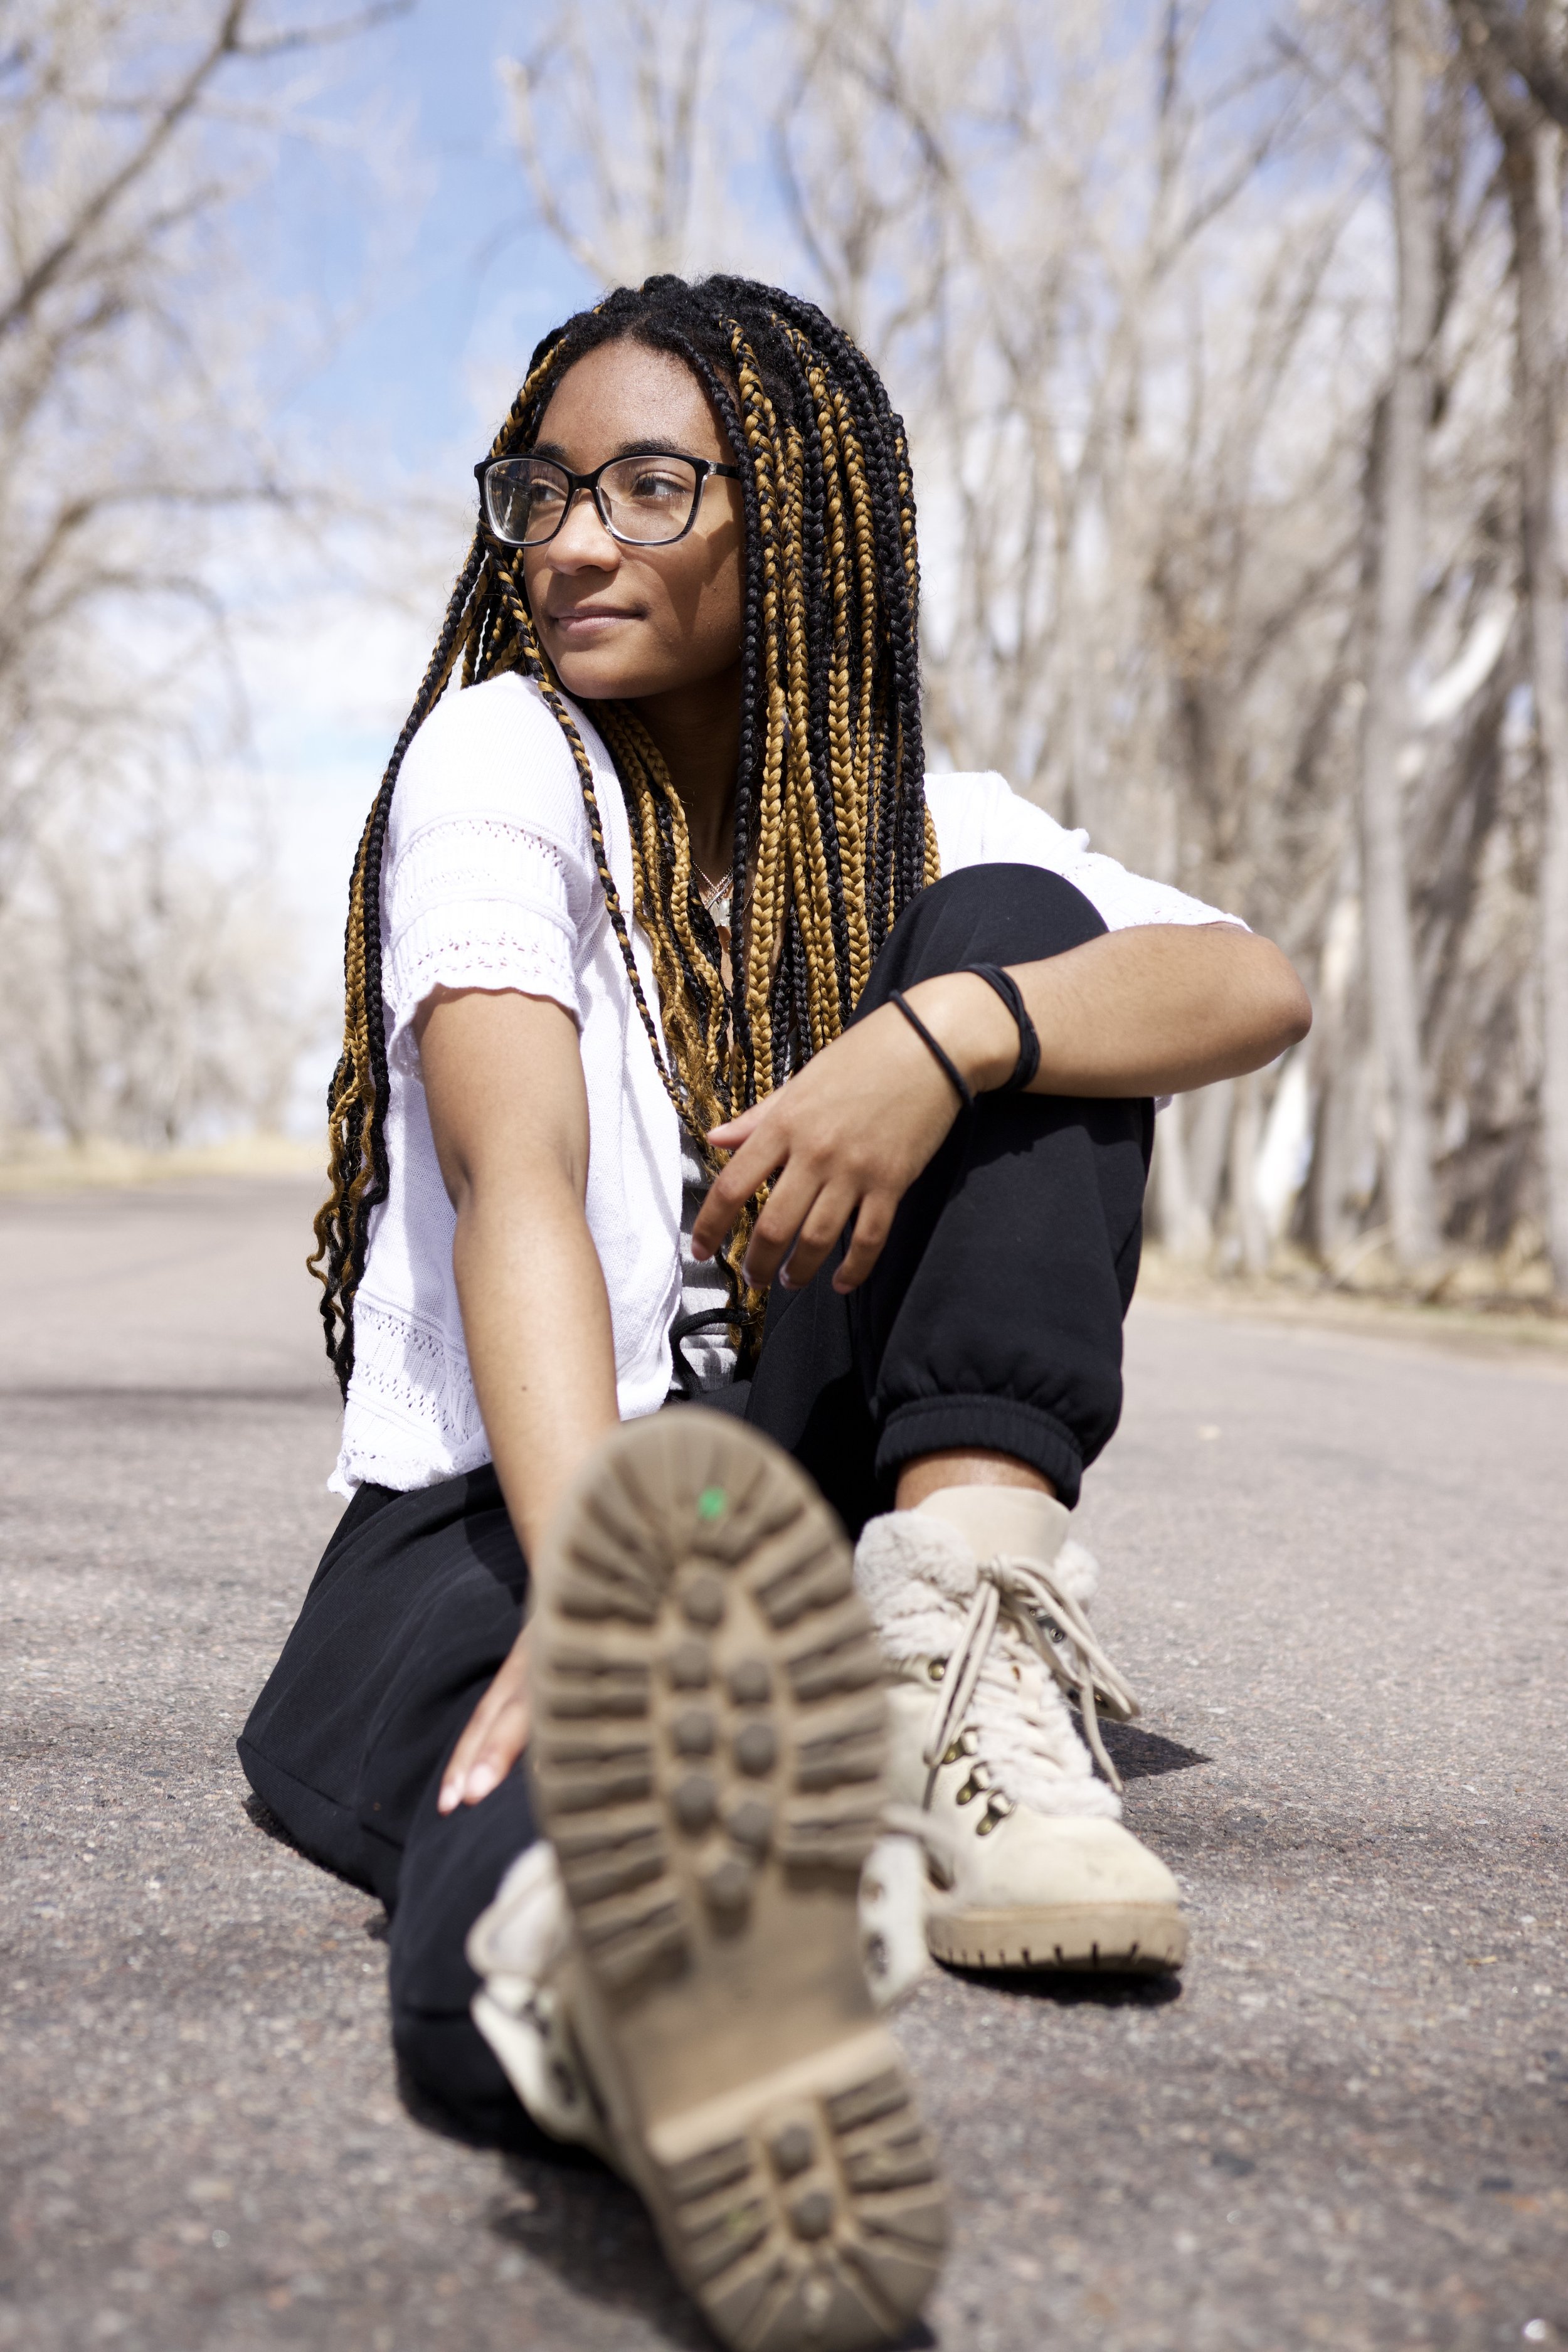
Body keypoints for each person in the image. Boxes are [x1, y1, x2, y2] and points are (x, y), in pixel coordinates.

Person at [238, 273, 1310, 2351]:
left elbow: (1247, 983)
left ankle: (956, 1633)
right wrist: (591, 1604)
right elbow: (516, 1180)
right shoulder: (501, 754)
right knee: (567, 1775)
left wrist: (940, 1044)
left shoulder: (916, 828)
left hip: (791, 1506)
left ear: (796, 520)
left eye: (649, 489)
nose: (567, 543)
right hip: (507, 1505)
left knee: (1023, 962)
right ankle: (640, 2003)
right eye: (538, 492)